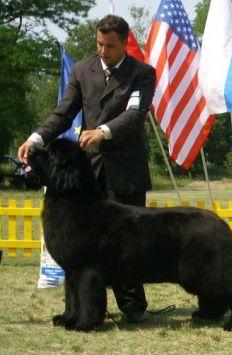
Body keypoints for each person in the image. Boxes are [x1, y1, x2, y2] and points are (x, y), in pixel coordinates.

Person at [18, 15, 156, 323]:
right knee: (81, 248)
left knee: (127, 244)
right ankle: (80, 308)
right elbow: (64, 112)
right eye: (99, 44)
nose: (103, 51)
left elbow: (134, 115)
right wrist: (36, 138)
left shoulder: (143, 73)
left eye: (110, 46)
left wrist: (102, 131)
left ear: (124, 43)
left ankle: (133, 308)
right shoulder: (82, 70)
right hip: (88, 174)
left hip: (126, 171)